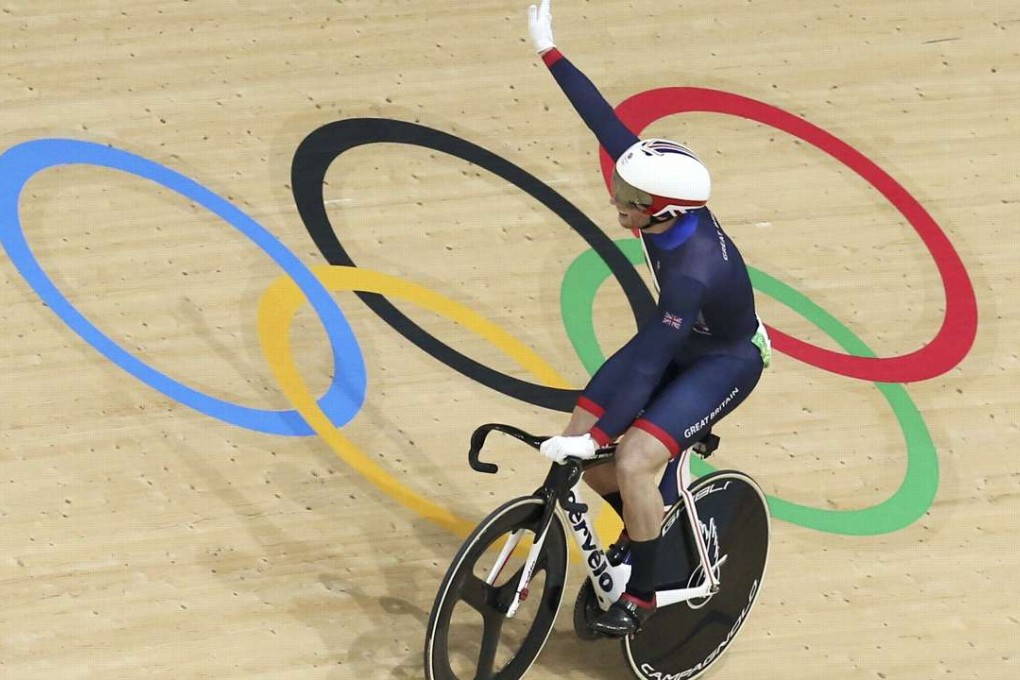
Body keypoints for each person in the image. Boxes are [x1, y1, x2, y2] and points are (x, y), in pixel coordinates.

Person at [527, 0, 772, 637]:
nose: (618, 201)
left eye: (630, 202)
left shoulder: (690, 269)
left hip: (725, 360)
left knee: (631, 458)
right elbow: (607, 127)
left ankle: (647, 586)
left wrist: (605, 431)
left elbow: (653, 361)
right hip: (686, 340)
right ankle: (650, 527)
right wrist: (551, 52)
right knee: (587, 441)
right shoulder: (664, 202)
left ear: (663, 212)